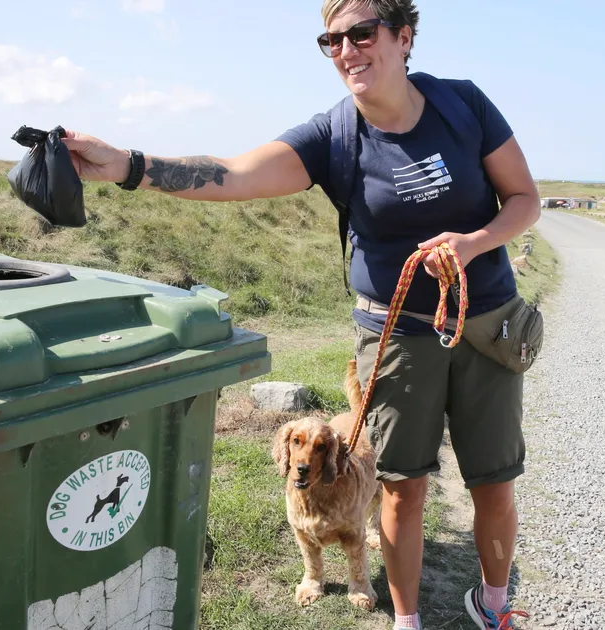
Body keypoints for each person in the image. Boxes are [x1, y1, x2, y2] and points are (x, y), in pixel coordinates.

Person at [59, 1, 541, 627]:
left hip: (484, 323)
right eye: (331, 40)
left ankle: (495, 605)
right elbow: (232, 174)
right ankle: (406, 620)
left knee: (493, 480)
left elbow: (525, 199)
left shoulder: (463, 105)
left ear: (404, 37)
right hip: (395, 337)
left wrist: (474, 242)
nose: (346, 50)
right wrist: (129, 166)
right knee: (402, 486)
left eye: (361, 34)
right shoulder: (333, 136)